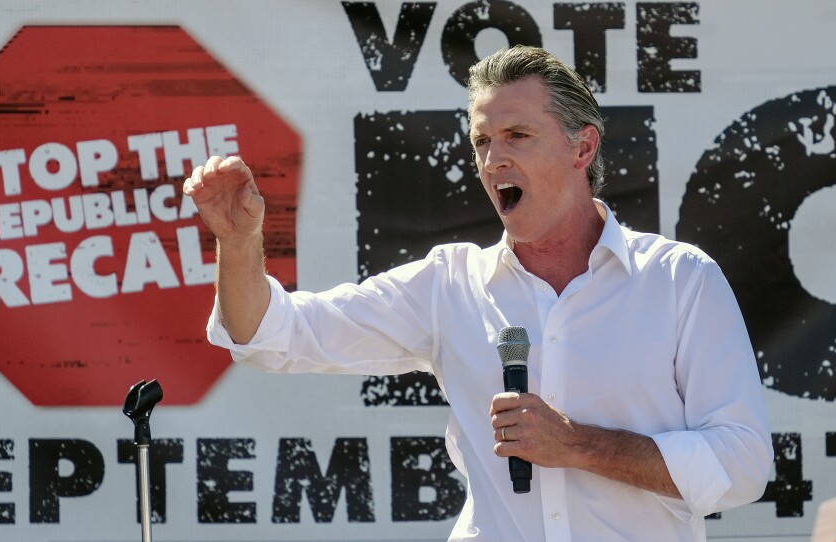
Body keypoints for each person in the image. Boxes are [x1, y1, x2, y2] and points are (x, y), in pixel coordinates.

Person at [183, 45, 773, 541]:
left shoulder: (679, 280)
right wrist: (238, 245)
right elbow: (271, 336)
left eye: (517, 135)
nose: (494, 160)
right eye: (482, 141)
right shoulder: (450, 285)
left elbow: (744, 466)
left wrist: (578, 445)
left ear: (582, 148)